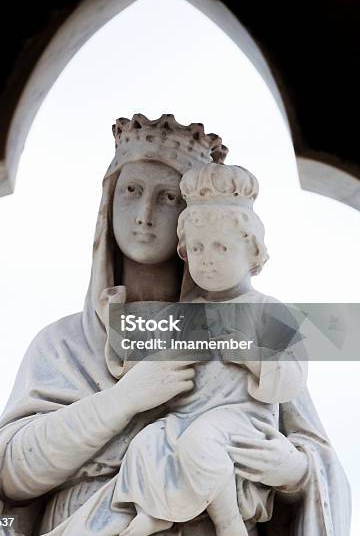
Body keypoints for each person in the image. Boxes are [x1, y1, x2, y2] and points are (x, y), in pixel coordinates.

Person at [0, 114, 351, 535]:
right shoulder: (63, 342)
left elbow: (313, 456)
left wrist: (293, 470)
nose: (145, 214)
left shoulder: (249, 321)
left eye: (167, 197)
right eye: (131, 191)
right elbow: (5, 478)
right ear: (108, 203)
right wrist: (123, 401)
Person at [110, 163, 308, 536]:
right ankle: (155, 513)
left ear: (253, 253)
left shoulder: (267, 309)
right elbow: (149, 360)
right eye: (197, 248)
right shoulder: (188, 314)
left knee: (205, 440)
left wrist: (250, 355)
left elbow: (292, 376)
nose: (208, 258)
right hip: (183, 418)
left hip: (240, 420)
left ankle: (228, 520)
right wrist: (124, 341)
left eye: (221, 246)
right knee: (146, 442)